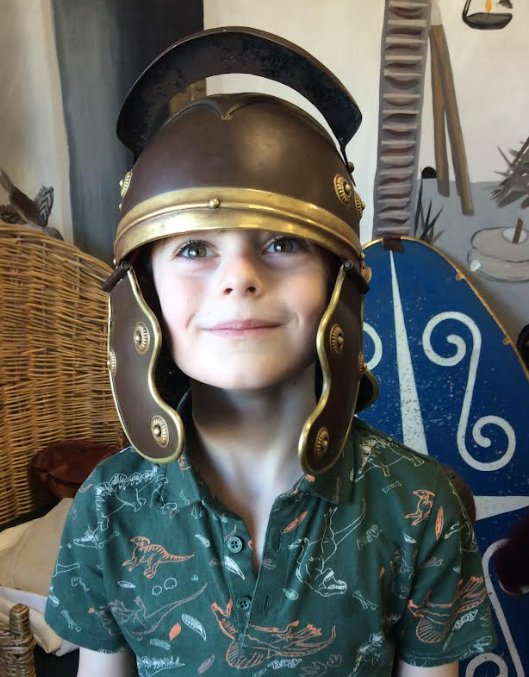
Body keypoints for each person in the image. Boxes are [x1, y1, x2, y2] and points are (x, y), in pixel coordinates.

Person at [45, 27, 496, 677]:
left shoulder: (418, 505)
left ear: (340, 280)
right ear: (144, 292)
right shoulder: (107, 508)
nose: (238, 278)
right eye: (194, 249)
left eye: (283, 243)